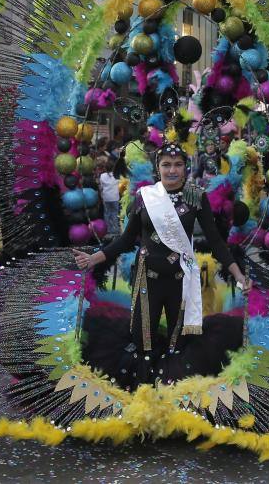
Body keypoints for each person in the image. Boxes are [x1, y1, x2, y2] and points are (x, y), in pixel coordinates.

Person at [73, 143, 250, 386]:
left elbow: (217, 244)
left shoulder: (196, 197)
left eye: (177, 165)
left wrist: (239, 276)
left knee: (178, 346)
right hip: (147, 280)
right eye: (166, 165)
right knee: (141, 342)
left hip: (180, 281)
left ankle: (172, 402)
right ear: (158, 168)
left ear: (186, 168)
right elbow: (125, 240)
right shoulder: (144, 197)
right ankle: (142, 401)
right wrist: (94, 259)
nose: (172, 170)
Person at [99, 159, 120, 235]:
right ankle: (116, 229)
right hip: (115, 197)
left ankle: (108, 229)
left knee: (107, 213)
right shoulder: (117, 175)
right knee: (115, 213)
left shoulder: (102, 176)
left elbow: (101, 187)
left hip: (106, 197)